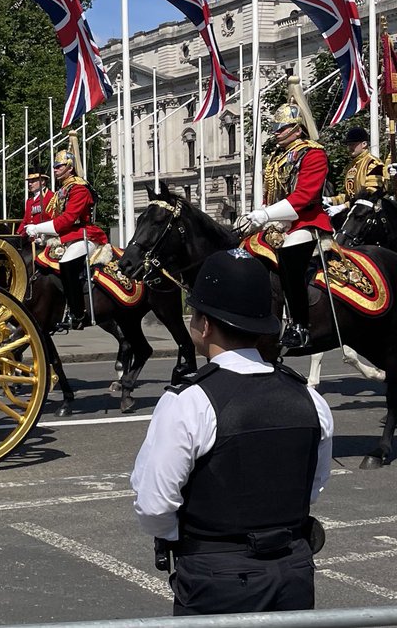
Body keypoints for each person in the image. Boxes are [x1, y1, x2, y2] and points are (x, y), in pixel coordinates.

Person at [131, 248, 333, 617]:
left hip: (215, 574)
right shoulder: (308, 397)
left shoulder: (188, 401)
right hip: (292, 570)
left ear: (204, 325)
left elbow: (155, 506)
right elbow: (313, 488)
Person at [239, 99, 333, 348]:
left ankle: (300, 324)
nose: (276, 133)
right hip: (278, 223)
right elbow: (271, 194)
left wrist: (267, 215)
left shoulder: (313, 153)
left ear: (297, 129)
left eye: (281, 128)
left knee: (291, 258)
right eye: (276, 128)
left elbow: (304, 197)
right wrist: (258, 215)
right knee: (243, 250)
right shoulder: (277, 157)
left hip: (306, 222)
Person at [24, 143, 107, 329]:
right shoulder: (63, 189)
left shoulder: (79, 189)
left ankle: (78, 313)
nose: (55, 169)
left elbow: (68, 219)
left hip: (84, 235)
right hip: (67, 236)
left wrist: (38, 228)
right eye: (54, 166)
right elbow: (56, 217)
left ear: (70, 167)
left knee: (67, 263)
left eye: (59, 166)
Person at [326, 124, 384, 223]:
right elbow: (349, 196)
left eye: (353, 144)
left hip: (371, 214)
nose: (350, 147)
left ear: (364, 144)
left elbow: (371, 194)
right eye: (348, 145)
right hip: (354, 212)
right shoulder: (351, 166)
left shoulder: (374, 163)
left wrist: (344, 206)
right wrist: (330, 200)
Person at [16, 172, 52, 237]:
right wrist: (19, 233)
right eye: (29, 182)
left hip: (46, 235)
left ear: (42, 181)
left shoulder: (50, 196)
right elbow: (25, 220)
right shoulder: (29, 201)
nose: (30, 184)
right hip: (30, 236)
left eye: (33, 181)